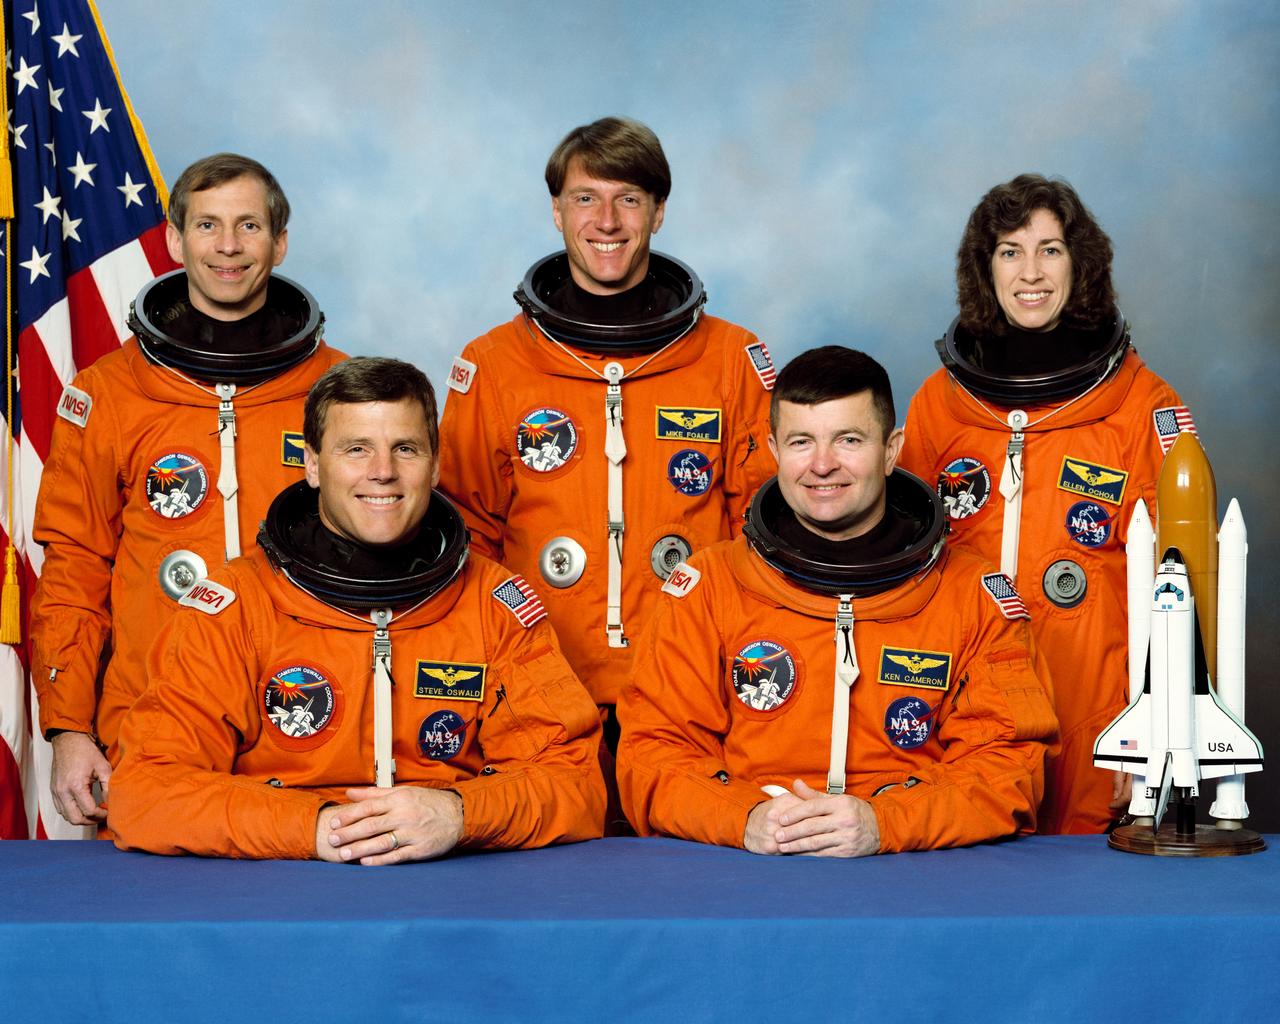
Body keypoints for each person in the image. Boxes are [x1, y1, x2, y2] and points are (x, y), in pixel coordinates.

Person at [109, 358, 604, 860]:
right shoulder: (237, 607)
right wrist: (316, 826)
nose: (383, 472)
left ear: (435, 465)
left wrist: (459, 813)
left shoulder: (492, 603)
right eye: (356, 449)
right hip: (283, 879)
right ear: (312, 464)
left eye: (405, 449)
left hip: (449, 882)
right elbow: (145, 791)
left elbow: (575, 782)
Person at [437, 117, 775, 822]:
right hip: (537, 698)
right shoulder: (495, 364)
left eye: (628, 199)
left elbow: (764, 541)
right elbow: (467, 543)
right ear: (557, 211)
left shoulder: (730, 359)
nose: (607, 221)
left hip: (693, 697)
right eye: (585, 198)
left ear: (659, 210)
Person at [617, 347, 1056, 856]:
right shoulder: (708, 588)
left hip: (911, 868)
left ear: (891, 451)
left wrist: (884, 822)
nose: (823, 465)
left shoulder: (972, 595)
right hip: (748, 865)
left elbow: (1009, 764)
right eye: (801, 442)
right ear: (774, 450)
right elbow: (653, 752)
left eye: (849, 439)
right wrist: (746, 817)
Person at [30, 153, 345, 827]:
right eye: (207, 225)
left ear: (279, 242)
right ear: (175, 240)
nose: (227, 246)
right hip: (147, 731)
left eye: (248, 225)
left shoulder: (340, 392)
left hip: (305, 731)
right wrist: (68, 729)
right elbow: (74, 571)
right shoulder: (108, 393)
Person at [898, 174, 1196, 834]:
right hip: (964, 706)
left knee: (1087, 883)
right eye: (1010, 252)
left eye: (1050, 250)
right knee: (965, 872)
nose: (1030, 273)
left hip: (1095, 705)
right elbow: (903, 568)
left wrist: (1152, 724)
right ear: (986, 268)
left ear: (1079, 263)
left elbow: (1183, 580)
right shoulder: (939, 405)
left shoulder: (1143, 406)